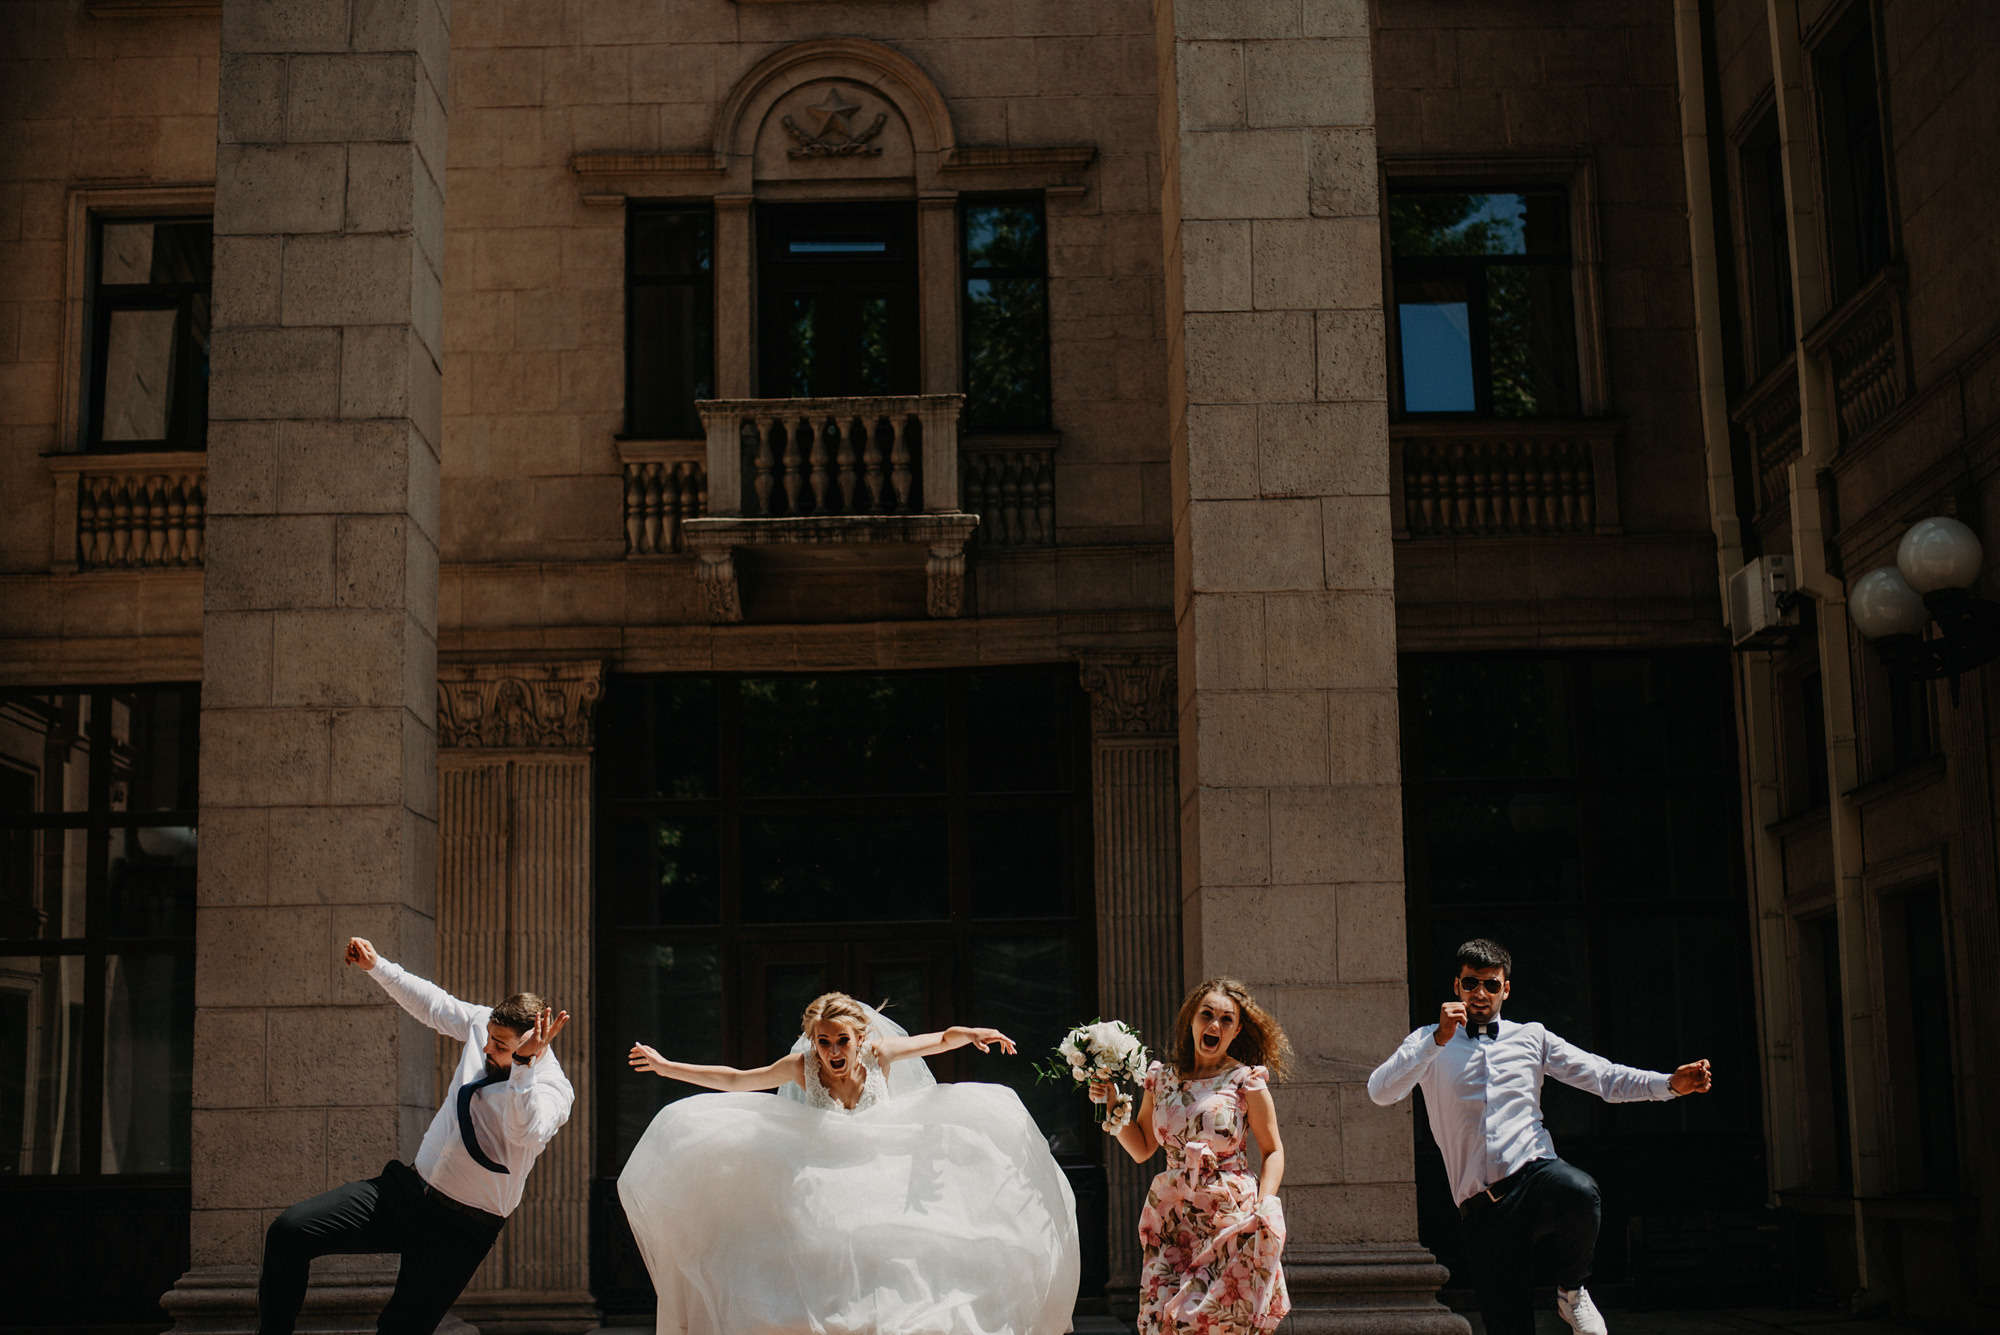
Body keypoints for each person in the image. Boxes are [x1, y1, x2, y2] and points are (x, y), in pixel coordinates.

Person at [619, 991, 1080, 1335]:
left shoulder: (880, 1057)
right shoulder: (802, 1067)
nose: (834, 1052)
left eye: (842, 1041)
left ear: (861, 1039)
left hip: (882, 1176)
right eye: (824, 1042)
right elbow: (739, 1080)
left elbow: (938, 1040)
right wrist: (668, 1067)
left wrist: (973, 1034)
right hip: (825, 1180)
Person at [1366, 938, 1713, 1335]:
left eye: (1491, 984)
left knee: (1579, 1191)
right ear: (1456, 986)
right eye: (1470, 983)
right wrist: (1436, 1041)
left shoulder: (1532, 1037)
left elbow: (1603, 1076)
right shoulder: (1428, 1042)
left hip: (1534, 1176)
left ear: (1506, 989)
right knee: (1508, 1324)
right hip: (1483, 1208)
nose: (1480, 993)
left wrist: (1669, 1084)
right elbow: (1380, 1091)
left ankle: (1572, 1291)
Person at [257, 937, 574, 1335]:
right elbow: (434, 1005)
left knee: (399, 1330)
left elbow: (524, 1132)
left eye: (502, 1046)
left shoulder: (553, 1089)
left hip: (461, 1228)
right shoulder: (485, 1028)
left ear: (533, 1047)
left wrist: (522, 1069)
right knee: (290, 1230)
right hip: (410, 1190)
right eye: (489, 1039)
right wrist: (377, 966)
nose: (488, 1049)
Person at [1095, 979, 1292, 1335]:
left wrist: (1265, 1203)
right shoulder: (1162, 1079)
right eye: (1207, 1015)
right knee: (1162, 1320)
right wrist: (1110, 1103)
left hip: (1229, 1215)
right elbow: (1141, 1148)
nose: (1215, 1025)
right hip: (1172, 1219)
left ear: (1236, 1031)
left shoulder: (1245, 1081)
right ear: (1192, 1020)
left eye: (1226, 1020)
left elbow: (1273, 1150)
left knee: (1213, 1322)